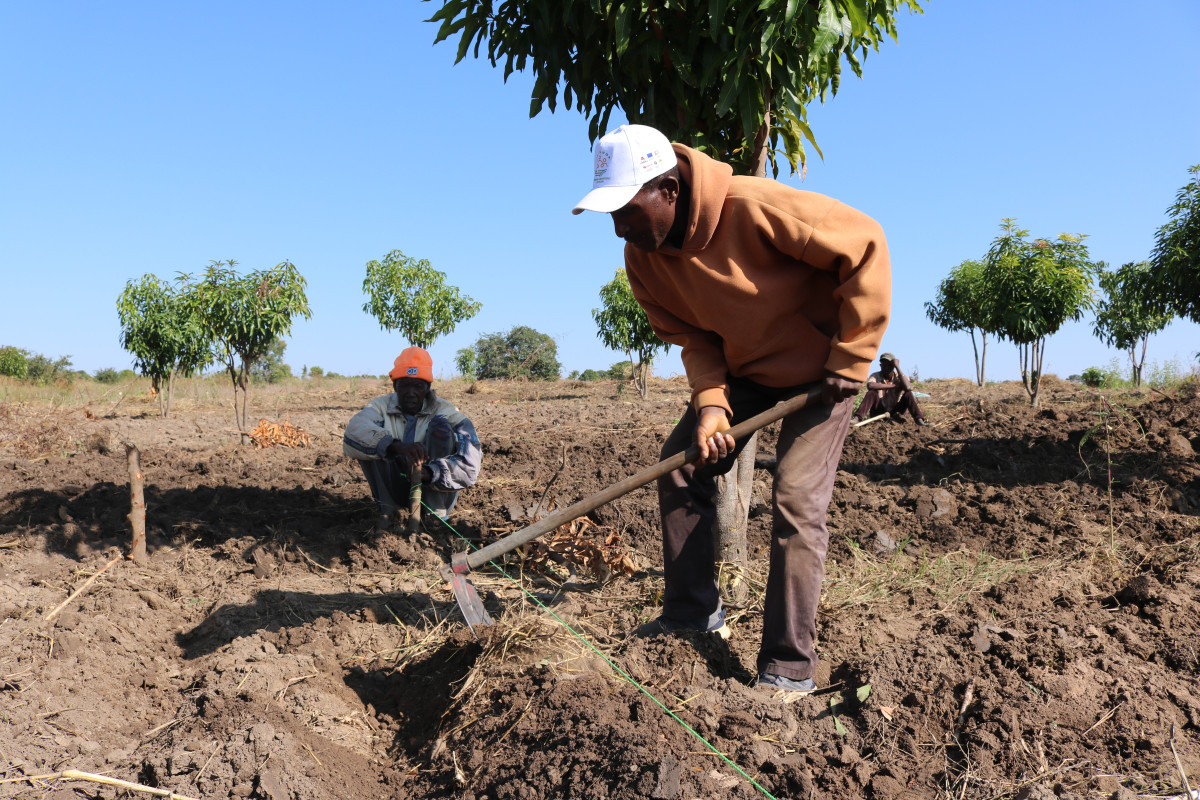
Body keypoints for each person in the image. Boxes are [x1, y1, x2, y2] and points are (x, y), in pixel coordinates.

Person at [572, 124, 891, 694]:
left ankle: (788, 667)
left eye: (626, 208)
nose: (619, 227)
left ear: (668, 188)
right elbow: (692, 336)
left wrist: (852, 357)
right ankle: (694, 611)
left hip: (824, 377)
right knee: (681, 462)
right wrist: (713, 406)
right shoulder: (643, 258)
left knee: (795, 499)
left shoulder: (754, 206)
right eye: (610, 214)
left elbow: (866, 244)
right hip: (746, 373)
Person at [343, 347, 481, 533]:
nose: (410, 392)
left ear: (427, 389)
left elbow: (471, 464)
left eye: (418, 386)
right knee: (372, 440)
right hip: (394, 489)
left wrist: (432, 473)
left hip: (436, 493)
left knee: (442, 428)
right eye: (405, 385)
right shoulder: (380, 407)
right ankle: (390, 514)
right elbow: (354, 431)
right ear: (395, 387)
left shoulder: (447, 412)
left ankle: (435, 518)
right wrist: (395, 446)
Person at [852, 352, 929, 426]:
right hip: (879, 411)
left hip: (896, 412)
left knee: (908, 394)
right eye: (884, 365)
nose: (886, 368)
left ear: (893, 366)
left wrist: (897, 367)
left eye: (889, 365)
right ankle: (857, 418)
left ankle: (919, 420)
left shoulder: (899, 377)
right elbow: (870, 385)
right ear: (880, 366)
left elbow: (908, 387)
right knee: (872, 393)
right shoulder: (876, 375)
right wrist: (894, 386)